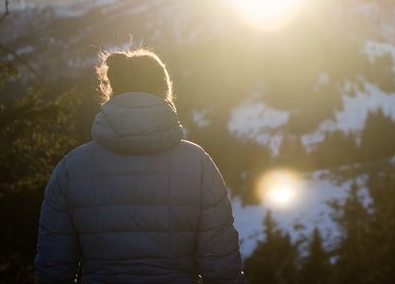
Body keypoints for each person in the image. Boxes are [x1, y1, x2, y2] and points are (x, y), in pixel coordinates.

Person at [34, 48, 245, 284]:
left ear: (111, 92)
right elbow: (221, 268)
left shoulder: (71, 169)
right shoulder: (198, 164)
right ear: (164, 91)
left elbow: (53, 271)